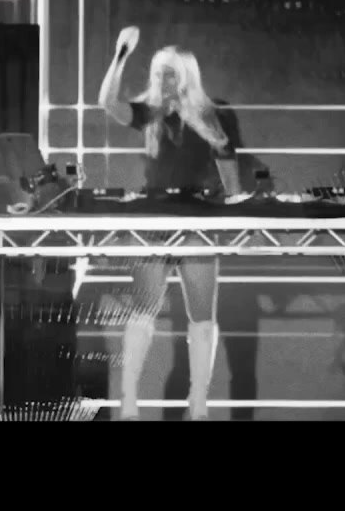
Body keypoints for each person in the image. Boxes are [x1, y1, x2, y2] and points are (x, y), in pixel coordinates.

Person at [98, 25, 243, 420]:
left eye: (171, 73)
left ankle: (199, 402)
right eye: (159, 73)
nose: (164, 81)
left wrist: (234, 211)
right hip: (154, 216)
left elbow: (230, 172)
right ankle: (129, 400)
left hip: (198, 219)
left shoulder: (213, 114)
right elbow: (107, 102)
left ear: (187, 76)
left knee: (202, 315)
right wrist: (120, 55)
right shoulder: (150, 112)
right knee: (143, 309)